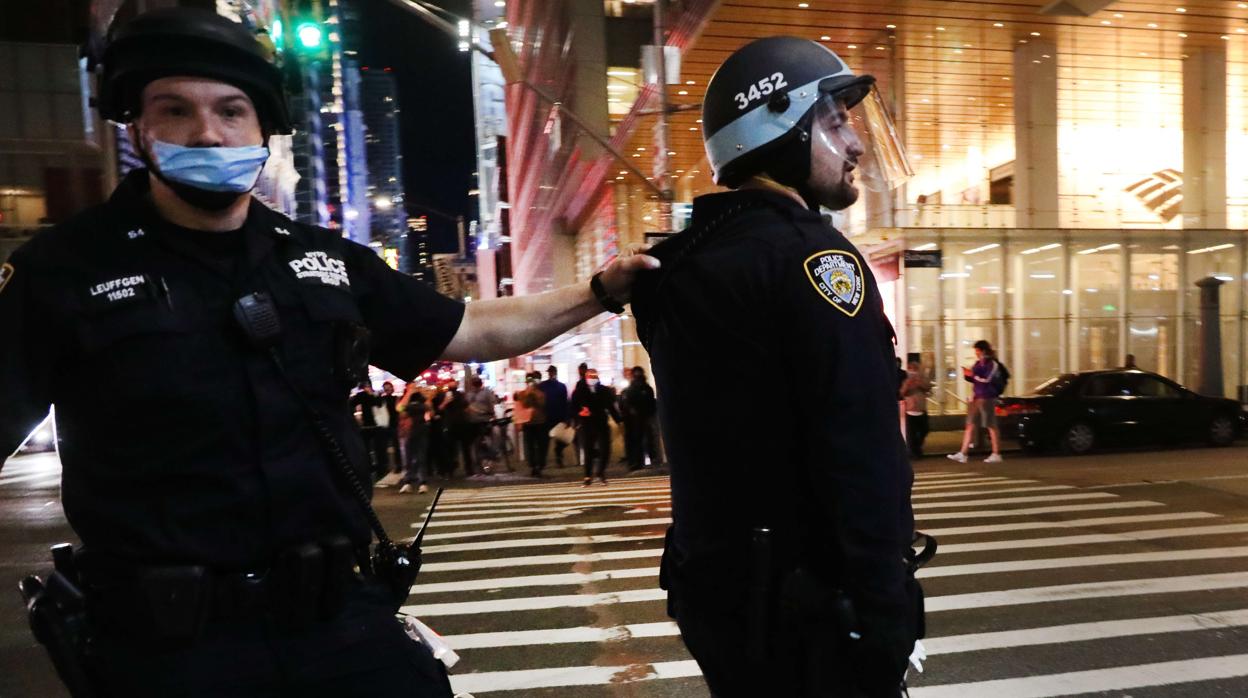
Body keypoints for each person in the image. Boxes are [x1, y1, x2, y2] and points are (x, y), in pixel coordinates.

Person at [0, 9, 657, 697]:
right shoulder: (62, 271)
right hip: (170, 653)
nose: (207, 132)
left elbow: (473, 329)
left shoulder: (322, 261)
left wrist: (600, 290)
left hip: (339, 623)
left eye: (231, 110)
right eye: (175, 110)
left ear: (262, 129)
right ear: (138, 127)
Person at [630, 36, 924, 697]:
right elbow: (862, 455)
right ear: (777, 122)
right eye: (835, 119)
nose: (853, 144)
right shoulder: (815, 259)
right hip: (811, 611)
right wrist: (886, 613)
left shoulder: (680, 264)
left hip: (722, 597)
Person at [948, 339, 1005, 464]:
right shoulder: (978, 363)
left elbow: (987, 379)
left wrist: (972, 375)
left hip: (987, 397)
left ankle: (996, 453)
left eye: (977, 351)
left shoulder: (992, 364)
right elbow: (975, 379)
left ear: (984, 350)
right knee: (969, 425)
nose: (976, 353)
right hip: (976, 397)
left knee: (991, 425)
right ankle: (963, 453)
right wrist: (968, 375)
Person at [570, 368, 622, 486]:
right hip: (586, 424)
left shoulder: (604, 390)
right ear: (585, 377)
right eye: (590, 376)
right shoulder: (579, 391)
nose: (592, 379)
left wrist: (619, 420)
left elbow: (611, 407)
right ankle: (587, 476)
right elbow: (572, 407)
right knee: (588, 450)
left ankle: (600, 472)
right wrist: (579, 413)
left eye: (594, 376)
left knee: (605, 449)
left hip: (601, 422)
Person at [620, 366, 661, 470]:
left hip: (644, 418)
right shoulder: (631, 389)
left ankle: (649, 459)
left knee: (647, 439)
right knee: (637, 440)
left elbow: (651, 403)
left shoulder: (646, 388)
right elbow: (626, 404)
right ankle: (638, 461)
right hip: (634, 420)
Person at [349, 382, 388, 478]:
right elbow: (352, 404)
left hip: (372, 426)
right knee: (374, 449)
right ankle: (377, 469)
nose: (367, 388)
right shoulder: (365, 395)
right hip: (370, 426)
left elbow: (379, 404)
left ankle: (376, 469)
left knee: (373, 449)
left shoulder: (370, 395)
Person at [398, 389, 430, 494]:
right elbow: (429, 412)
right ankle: (422, 483)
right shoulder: (423, 406)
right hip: (421, 433)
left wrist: (408, 393)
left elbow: (399, 408)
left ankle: (408, 483)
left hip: (410, 434)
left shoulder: (410, 407)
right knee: (421, 458)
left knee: (408, 459)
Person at [538, 366, 571, 466]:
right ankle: (544, 461)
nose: (551, 373)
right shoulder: (544, 386)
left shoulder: (560, 386)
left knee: (560, 440)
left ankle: (558, 456)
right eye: (550, 372)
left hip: (557, 417)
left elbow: (565, 403)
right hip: (548, 417)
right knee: (545, 441)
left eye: (552, 372)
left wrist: (566, 417)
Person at [517, 372, 549, 476]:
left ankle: (540, 465)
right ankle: (533, 466)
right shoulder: (522, 393)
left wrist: (534, 394)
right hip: (528, 423)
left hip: (540, 422)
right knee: (530, 446)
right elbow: (523, 405)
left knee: (541, 445)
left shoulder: (541, 393)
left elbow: (542, 404)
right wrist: (528, 394)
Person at [900, 359, 933, 459]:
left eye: (915, 369)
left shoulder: (922, 379)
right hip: (910, 411)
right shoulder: (906, 380)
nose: (913, 372)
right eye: (911, 369)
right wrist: (908, 384)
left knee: (925, 430)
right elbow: (902, 393)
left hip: (921, 410)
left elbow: (928, 387)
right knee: (912, 434)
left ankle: (917, 447)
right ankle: (915, 453)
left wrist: (919, 383)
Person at [378, 381, 402, 473]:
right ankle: (385, 466)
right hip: (385, 424)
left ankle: (398, 465)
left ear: (392, 388)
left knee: (396, 446)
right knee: (383, 447)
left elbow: (399, 410)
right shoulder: (382, 399)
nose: (387, 389)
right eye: (385, 388)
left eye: (389, 387)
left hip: (393, 424)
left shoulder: (396, 398)